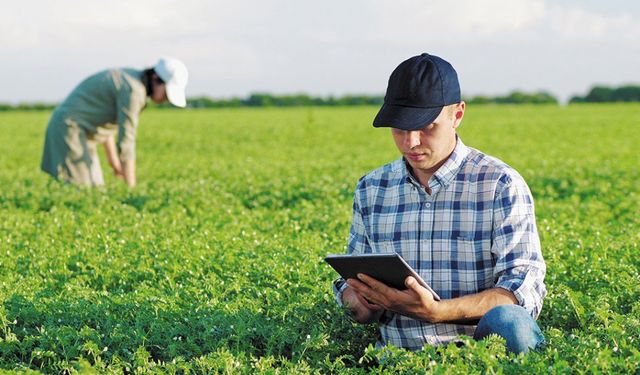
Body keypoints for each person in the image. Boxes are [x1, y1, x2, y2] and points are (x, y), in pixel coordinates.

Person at [332, 53, 547, 354]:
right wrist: (358, 300)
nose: (411, 142)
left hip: (482, 360)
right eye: (400, 129)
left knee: (511, 323)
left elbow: (520, 292)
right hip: (401, 360)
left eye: (427, 127)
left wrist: (436, 311)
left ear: (457, 115)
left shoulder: (499, 184)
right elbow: (352, 281)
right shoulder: (372, 188)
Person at [40, 57, 189, 187]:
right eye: (167, 93)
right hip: (69, 128)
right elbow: (126, 142)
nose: (167, 99)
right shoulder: (133, 91)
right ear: (156, 78)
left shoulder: (132, 79)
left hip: (81, 132)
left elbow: (106, 123)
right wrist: (131, 189)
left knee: (97, 188)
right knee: (80, 188)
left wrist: (114, 162)